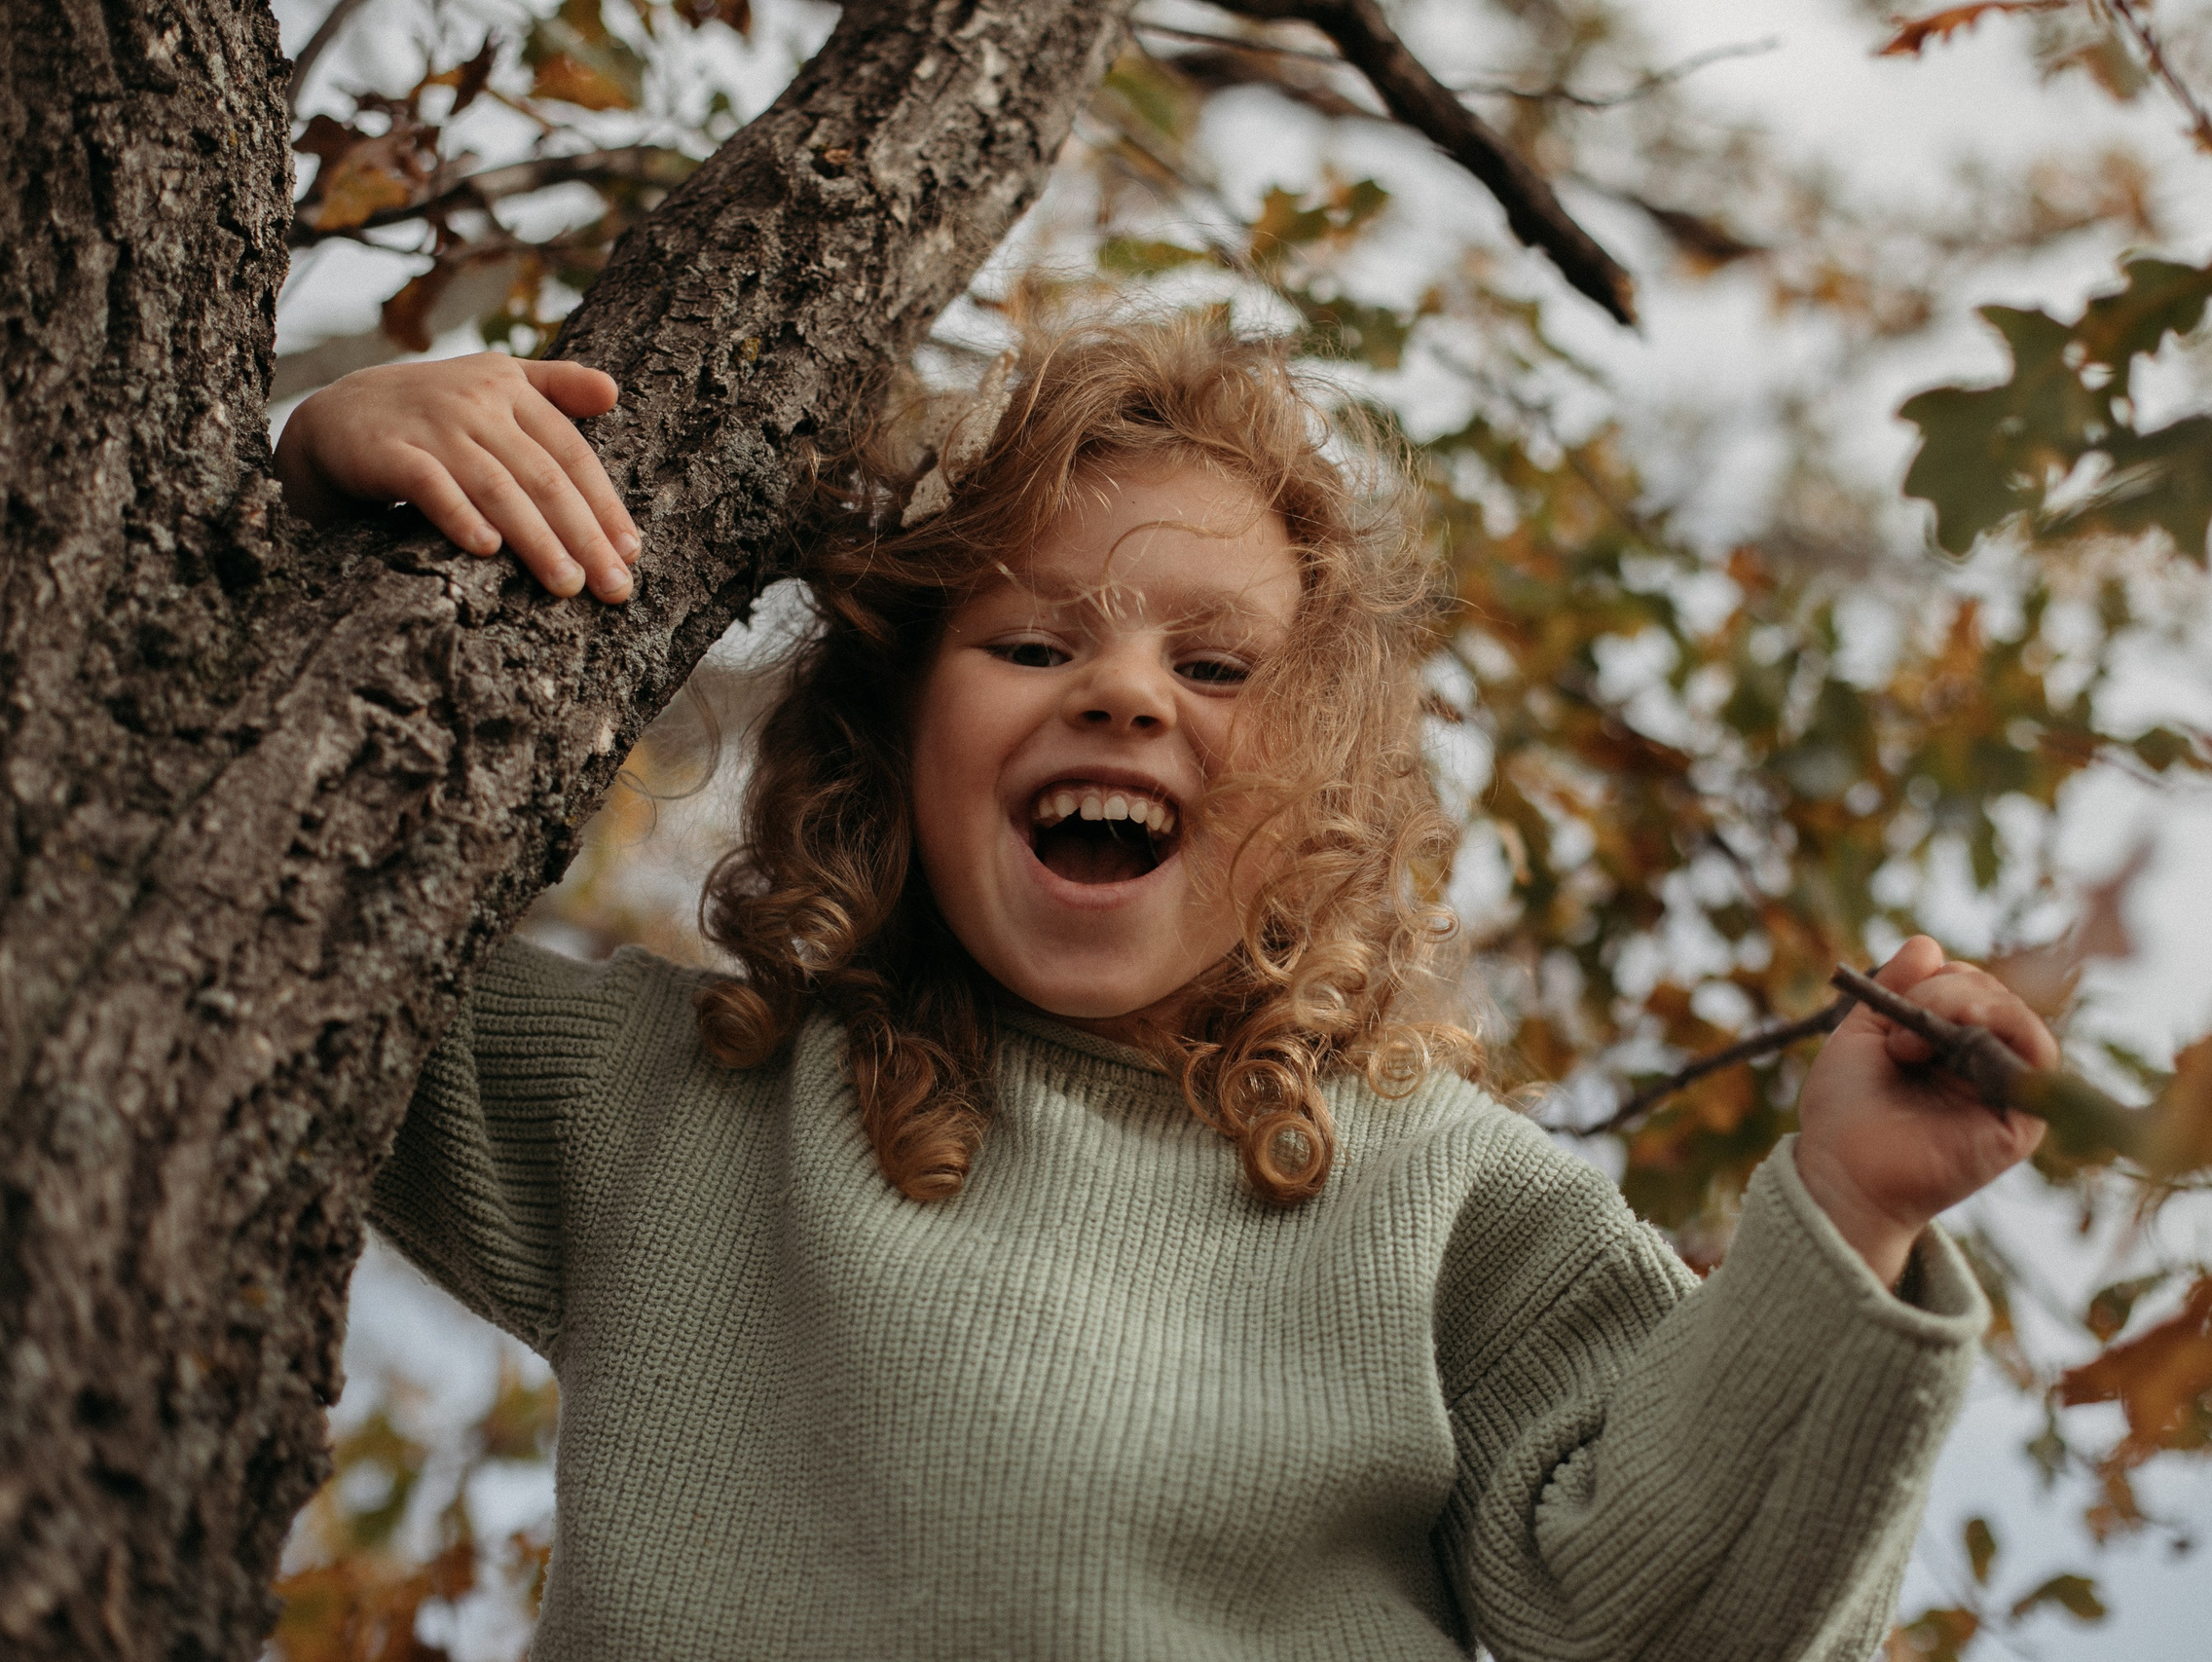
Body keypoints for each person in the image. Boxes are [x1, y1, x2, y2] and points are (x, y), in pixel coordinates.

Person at [275, 317, 2057, 1661]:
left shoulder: (1440, 1191)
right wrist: (317, 479)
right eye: (1035, 642)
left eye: (1214, 663)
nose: (1123, 695)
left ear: (1326, 787)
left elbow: (1664, 1622)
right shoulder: (678, 1093)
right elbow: (241, 941)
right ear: (894, 738)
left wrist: (1849, 1213)